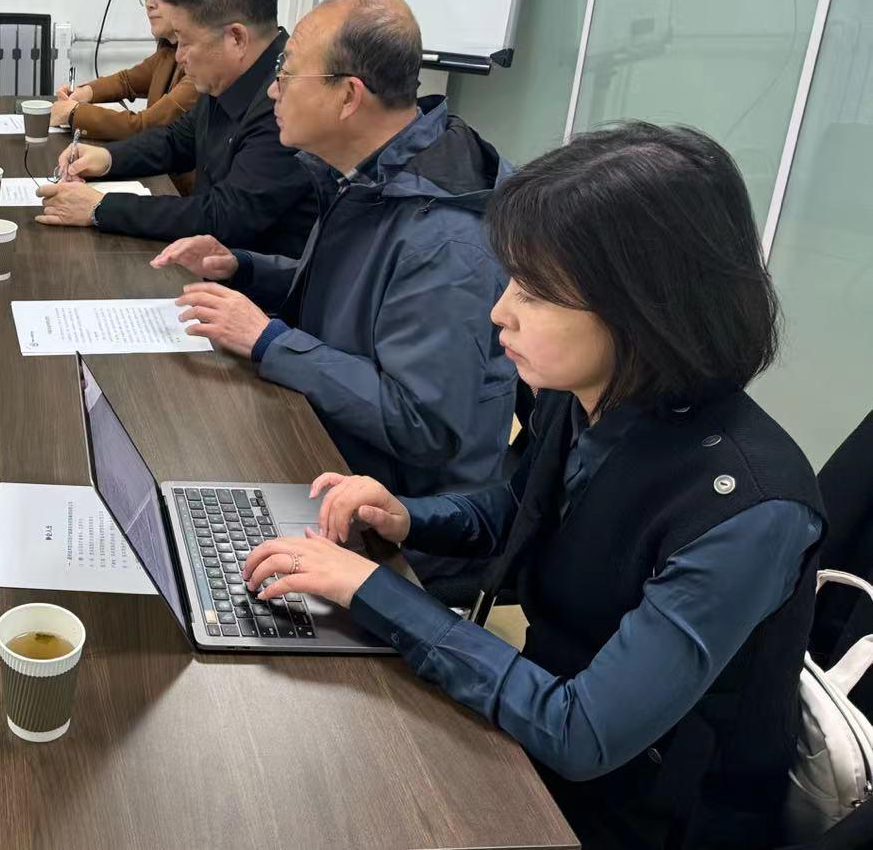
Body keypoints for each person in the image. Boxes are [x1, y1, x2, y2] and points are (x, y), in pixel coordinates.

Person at [240, 123, 824, 849]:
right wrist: (406, 518)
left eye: (536, 293)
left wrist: (370, 589)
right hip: (536, 726)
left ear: (646, 309)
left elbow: (583, 731)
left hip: (641, 810)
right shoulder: (593, 390)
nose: (499, 311)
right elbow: (524, 510)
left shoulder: (750, 509)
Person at [154, 0, 514, 584]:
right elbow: (354, 297)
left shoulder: (446, 239)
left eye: (287, 75)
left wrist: (269, 340)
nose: (273, 92)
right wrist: (242, 267)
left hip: (399, 517)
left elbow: (422, 425)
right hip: (331, 444)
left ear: (349, 96)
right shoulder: (373, 172)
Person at [37, 0, 317, 254]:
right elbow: (176, 141)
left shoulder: (287, 100)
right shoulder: (227, 75)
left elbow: (225, 216)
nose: (179, 56)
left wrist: (100, 207)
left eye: (185, 41)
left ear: (236, 38)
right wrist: (107, 159)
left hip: (247, 277)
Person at [50, 0, 203, 189]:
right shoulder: (169, 50)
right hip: (156, 175)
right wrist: (84, 93)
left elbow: (146, 126)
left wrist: (73, 113)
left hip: (178, 191)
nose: (150, 4)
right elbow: (128, 81)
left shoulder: (203, 67)